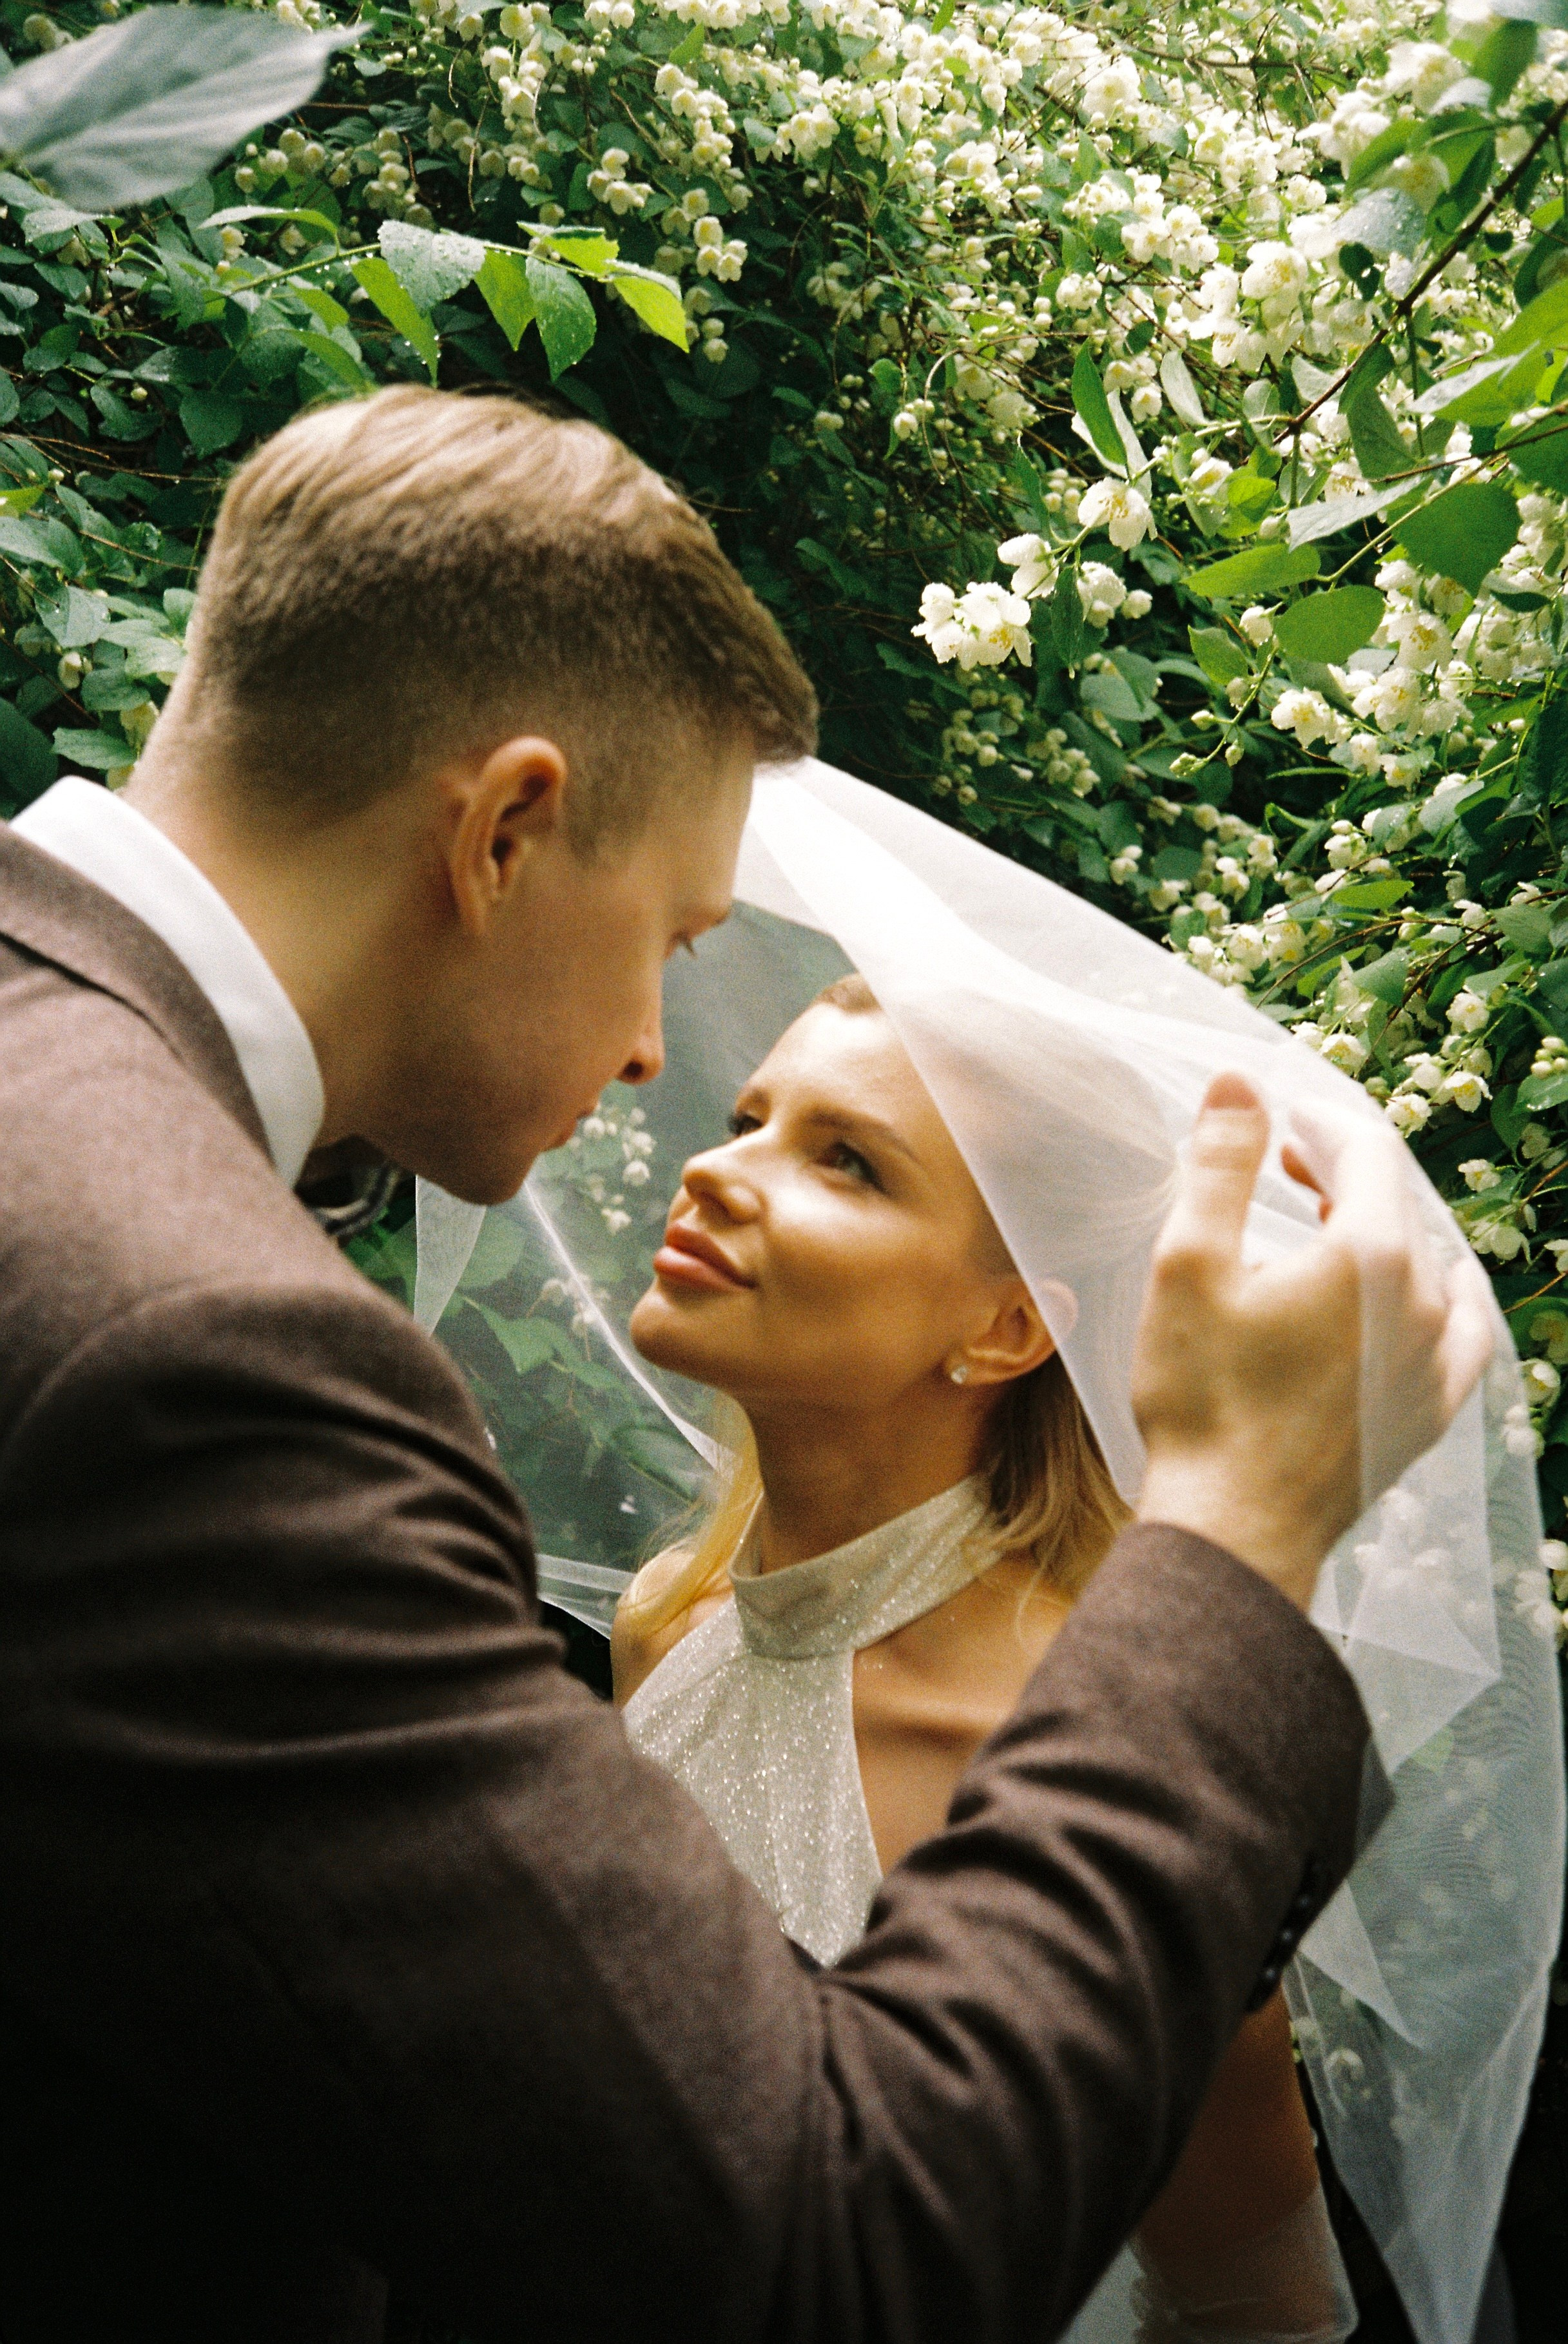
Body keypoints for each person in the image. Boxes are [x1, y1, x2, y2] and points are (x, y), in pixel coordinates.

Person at [0, 385, 1493, 2344]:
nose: (650, 1059)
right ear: (509, 827)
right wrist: (1233, 1521)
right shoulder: (203, 1352)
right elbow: (817, 2258)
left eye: (847, 1150)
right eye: (674, 935)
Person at [614, 973, 1355, 2344]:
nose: (715, 1171)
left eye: (846, 1160)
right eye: (746, 1118)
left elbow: (1260, 2309)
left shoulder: (1104, 1771)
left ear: (1005, 1326)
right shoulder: (665, 1627)